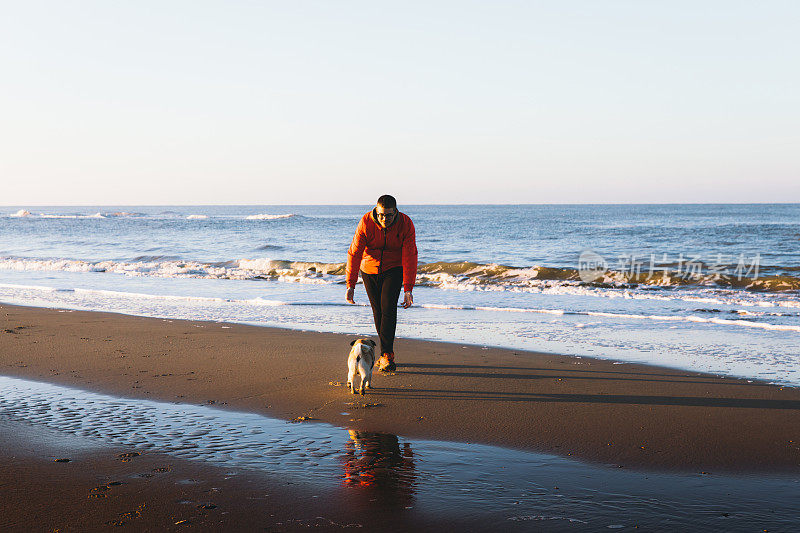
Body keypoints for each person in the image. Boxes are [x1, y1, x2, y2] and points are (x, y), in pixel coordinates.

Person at [346, 195, 417, 372]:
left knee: (388, 308)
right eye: (381, 215)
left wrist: (408, 289)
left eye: (389, 215)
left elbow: (410, 256)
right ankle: (384, 354)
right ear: (376, 212)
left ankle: (387, 355)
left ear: (396, 212)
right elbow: (354, 253)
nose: (384, 219)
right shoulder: (366, 222)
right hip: (369, 269)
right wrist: (351, 284)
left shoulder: (406, 224)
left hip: (394, 268)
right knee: (378, 311)